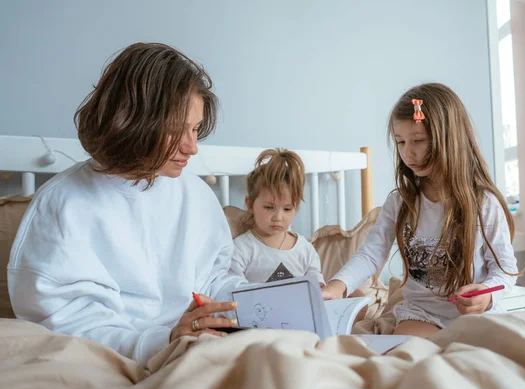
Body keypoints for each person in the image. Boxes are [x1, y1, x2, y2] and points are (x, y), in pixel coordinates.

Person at [7, 42, 247, 367]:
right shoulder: (64, 205)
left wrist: (266, 300)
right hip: (120, 358)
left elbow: (214, 279)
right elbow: (71, 326)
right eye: (177, 131)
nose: (192, 148)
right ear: (133, 122)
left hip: (199, 347)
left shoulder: (195, 194)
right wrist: (167, 341)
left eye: (195, 130)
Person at [321, 83, 519, 338]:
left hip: (476, 316)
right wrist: (338, 285)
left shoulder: (484, 203)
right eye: (400, 142)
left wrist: (487, 294)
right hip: (422, 313)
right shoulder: (400, 202)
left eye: (418, 141)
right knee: (412, 355)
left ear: (449, 139)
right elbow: (372, 254)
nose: (407, 153)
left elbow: (504, 269)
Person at [229, 149, 324, 286]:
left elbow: (316, 283)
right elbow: (233, 286)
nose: (278, 217)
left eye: (287, 209)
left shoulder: (304, 249)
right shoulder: (241, 249)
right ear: (250, 204)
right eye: (268, 207)